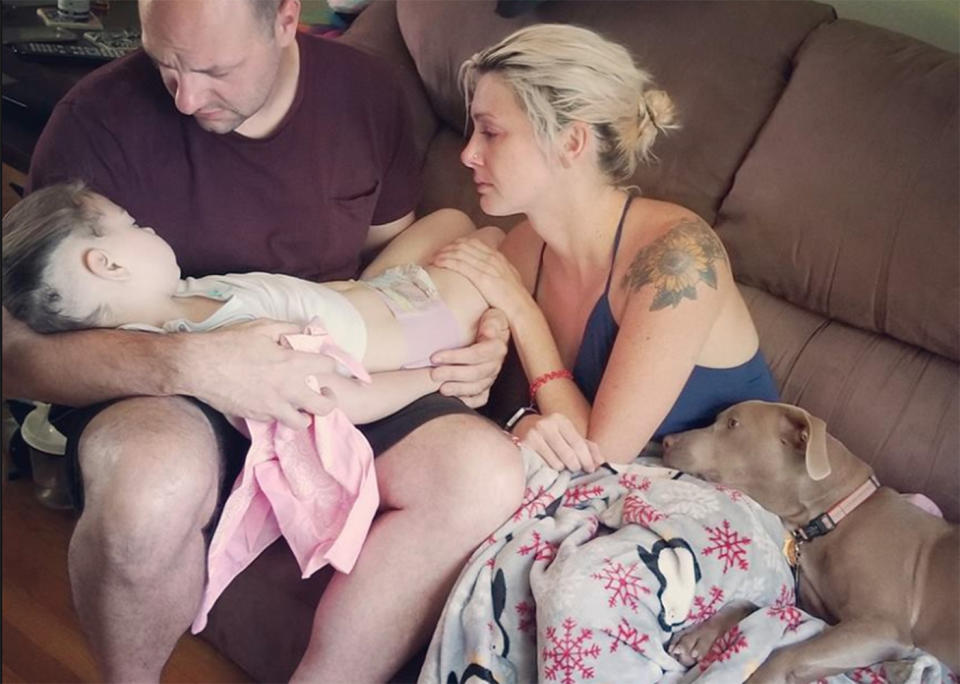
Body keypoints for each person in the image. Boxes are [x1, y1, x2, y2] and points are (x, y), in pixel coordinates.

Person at [1, 1, 524, 682]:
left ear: (284, 19)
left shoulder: (365, 96)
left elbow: (397, 255)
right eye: (166, 65)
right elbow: (13, 348)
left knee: (483, 473)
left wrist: (469, 344)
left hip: (325, 346)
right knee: (150, 490)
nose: (186, 98)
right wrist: (190, 363)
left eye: (215, 69)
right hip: (166, 375)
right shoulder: (95, 124)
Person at [433, 24, 780, 472]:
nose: (467, 154)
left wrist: (521, 311)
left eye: (491, 133)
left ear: (572, 142)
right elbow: (514, 412)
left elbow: (600, 454)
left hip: (715, 509)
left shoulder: (679, 259)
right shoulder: (522, 250)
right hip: (604, 497)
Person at [3, 181, 503, 425]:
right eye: (132, 225)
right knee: (501, 238)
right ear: (108, 266)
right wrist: (438, 380)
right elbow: (341, 401)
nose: (148, 227)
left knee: (454, 219)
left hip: (377, 293)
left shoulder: (182, 297)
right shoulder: (234, 344)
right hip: (425, 331)